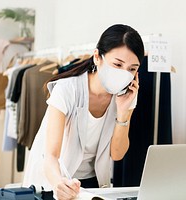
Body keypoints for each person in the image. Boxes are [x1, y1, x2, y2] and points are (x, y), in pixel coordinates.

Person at [23, 24, 144, 200]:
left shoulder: (126, 96)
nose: (124, 74)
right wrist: (59, 184)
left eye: (132, 69)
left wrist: (123, 112)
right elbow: (50, 155)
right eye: (117, 64)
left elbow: (117, 154)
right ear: (97, 57)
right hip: (54, 179)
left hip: (91, 183)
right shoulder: (67, 89)